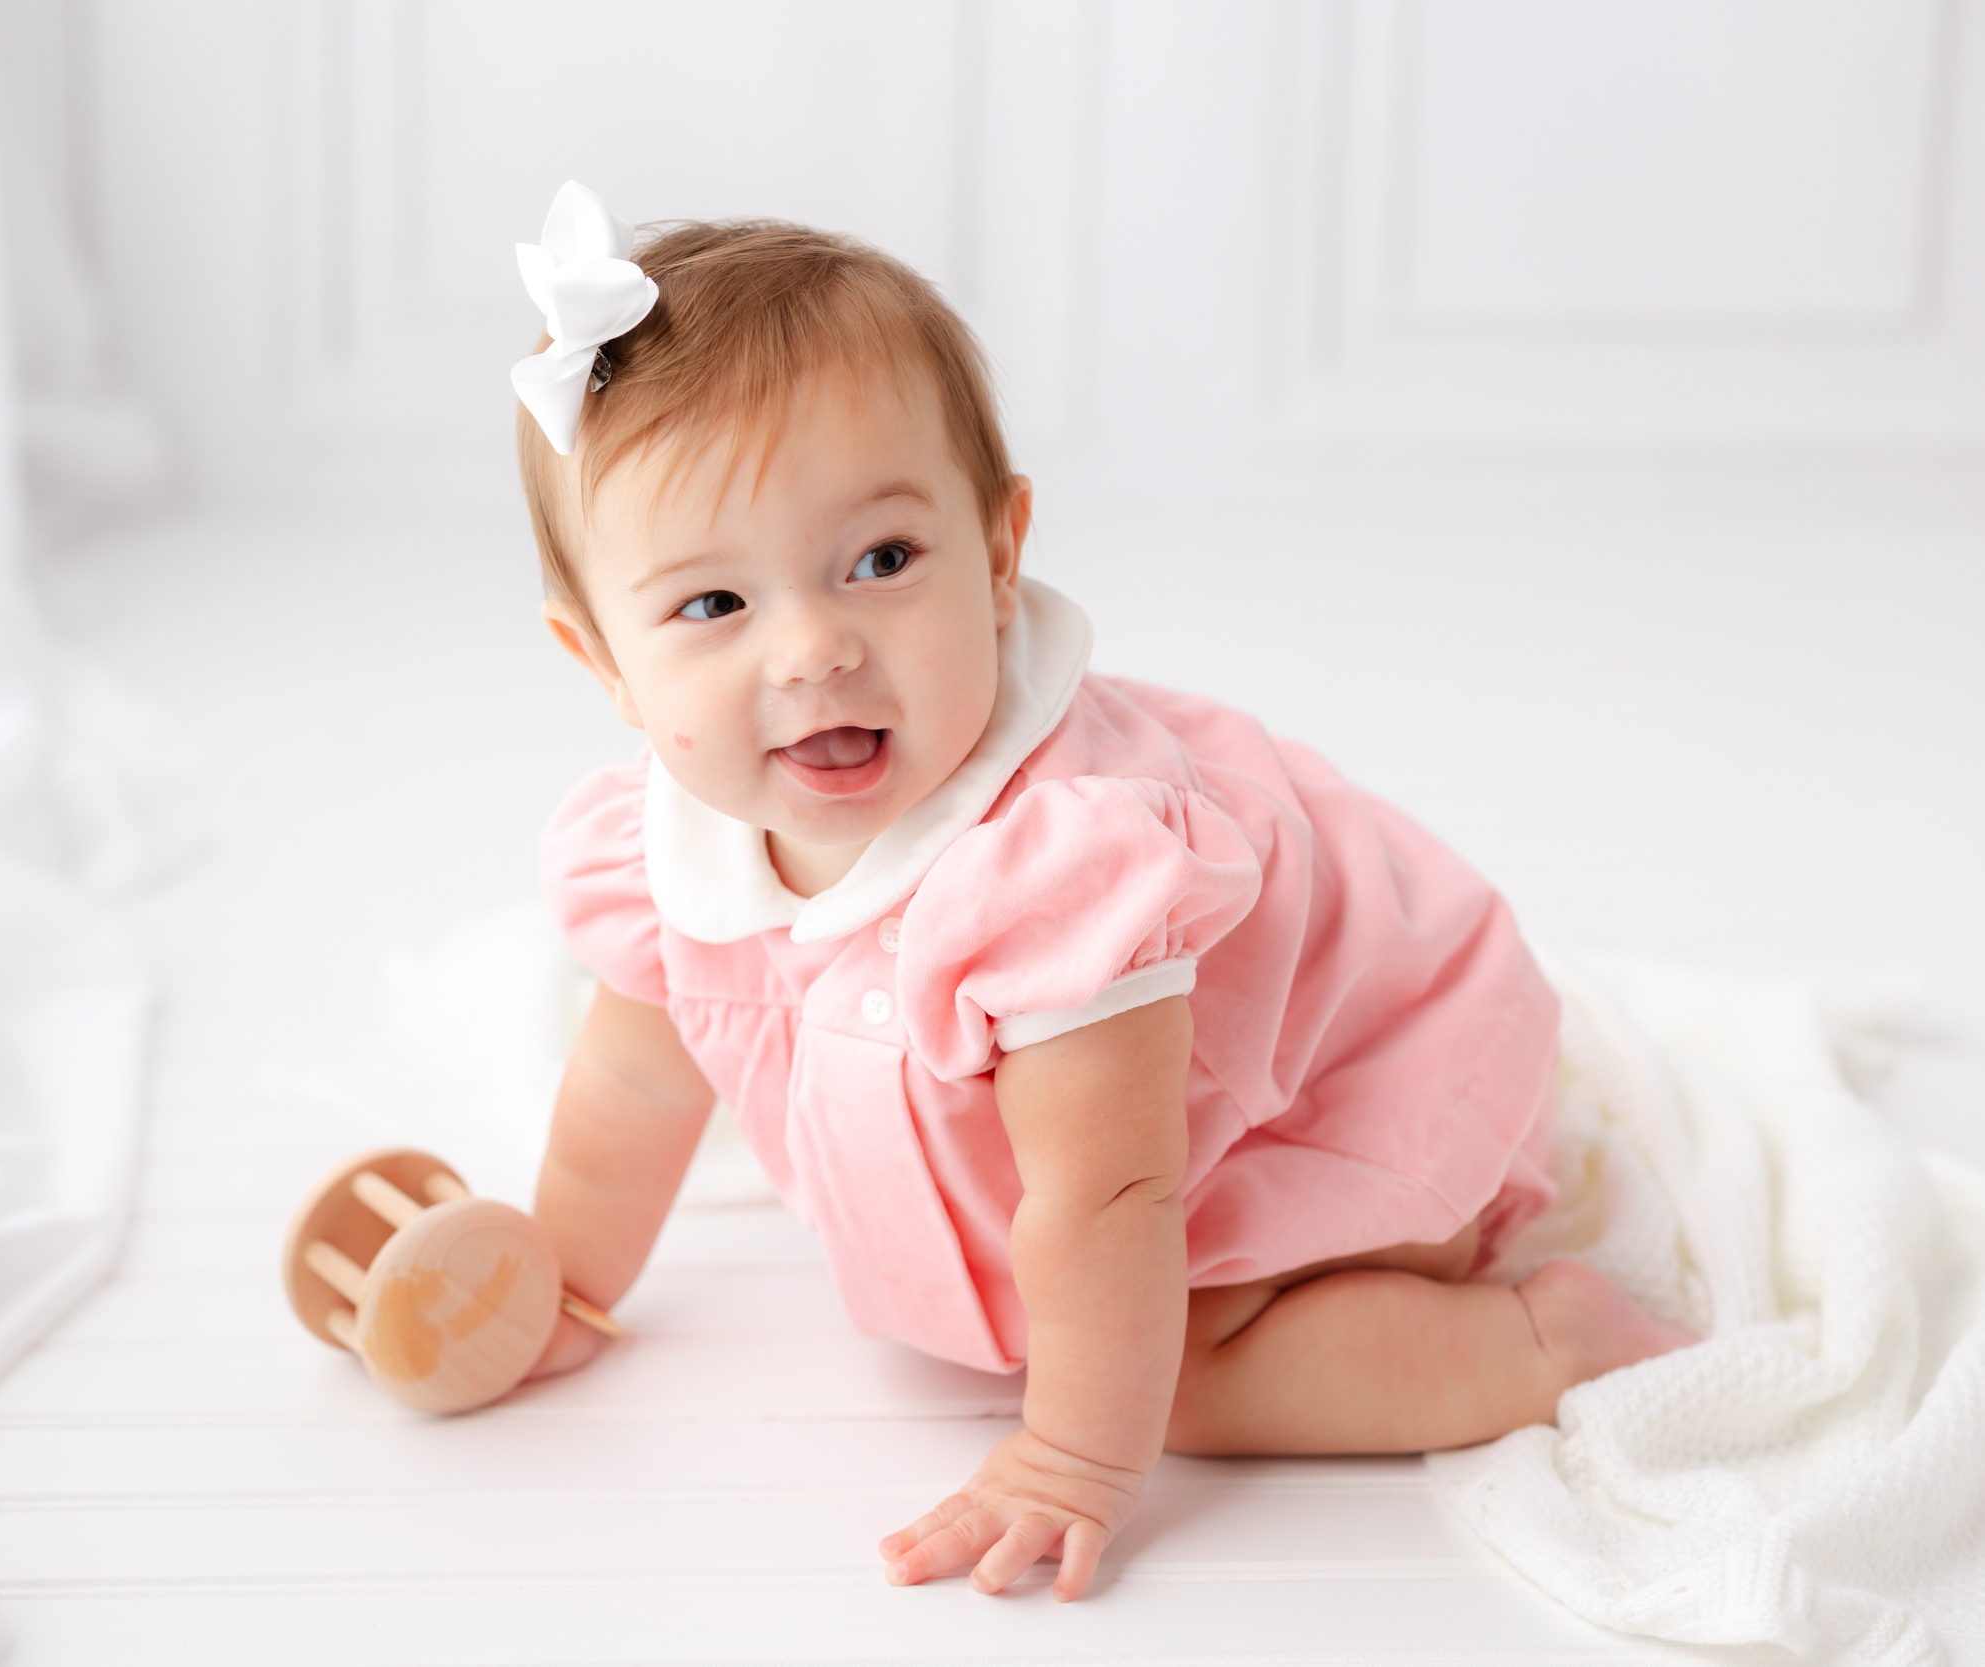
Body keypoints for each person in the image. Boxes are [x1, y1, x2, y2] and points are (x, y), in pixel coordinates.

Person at [510, 183, 1689, 1602]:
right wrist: (562, 1279)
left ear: (1000, 556)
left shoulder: (1061, 868)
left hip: (1349, 1082)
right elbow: (638, 1087)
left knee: (1181, 1379)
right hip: (1142, 1134)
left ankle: (1541, 1344)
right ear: (602, 663)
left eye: (882, 562)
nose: (814, 649)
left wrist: (1071, 1452)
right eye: (714, 606)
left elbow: (1112, 1192)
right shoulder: (670, 852)